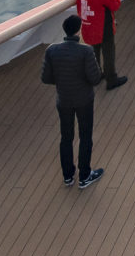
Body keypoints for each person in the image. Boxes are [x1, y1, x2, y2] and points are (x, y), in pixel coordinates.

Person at [42, 13, 106, 187]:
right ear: (79, 31)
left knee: (66, 137)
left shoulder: (52, 51)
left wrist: (63, 80)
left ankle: (68, 176)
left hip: (63, 101)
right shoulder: (86, 51)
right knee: (85, 136)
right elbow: (95, 79)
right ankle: (85, 176)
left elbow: (46, 78)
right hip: (84, 100)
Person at [74, 0, 130, 90]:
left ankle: (96, 76)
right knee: (108, 52)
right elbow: (115, 5)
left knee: (94, 51)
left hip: (88, 23)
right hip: (103, 26)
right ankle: (111, 79)